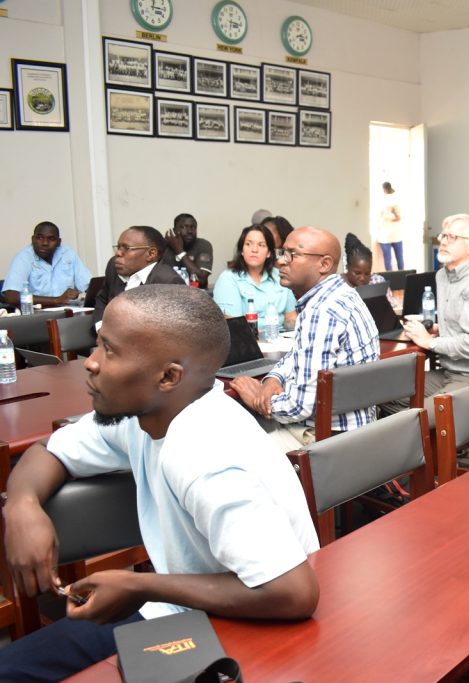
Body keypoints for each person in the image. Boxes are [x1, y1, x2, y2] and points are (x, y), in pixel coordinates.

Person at [0, 286, 319, 681]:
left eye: (109, 351)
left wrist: (141, 587)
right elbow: (49, 450)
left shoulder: (203, 453)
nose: (90, 363)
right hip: (183, 607)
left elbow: (294, 593)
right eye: (96, 345)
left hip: (241, 623)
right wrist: (22, 507)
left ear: (168, 376)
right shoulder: (146, 415)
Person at [231, 227, 379, 449]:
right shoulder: (344, 295)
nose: (281, 262)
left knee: (231, 447)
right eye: (282, 253)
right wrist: (274, 379)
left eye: (293, 254)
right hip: (357, 430)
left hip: (327, 438)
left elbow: (299, 407)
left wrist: (260, 402)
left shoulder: (321, 312)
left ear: (324, 264)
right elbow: (298, 353)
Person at [397, 214, 469, 424]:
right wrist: (440, 329)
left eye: (452, 237)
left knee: (410, 421)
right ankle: (435, 448)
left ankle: (444, 451)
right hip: (451, 372)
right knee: (386, 394)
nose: (443, 241)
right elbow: (464, 323)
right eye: (443, 235)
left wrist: (430, 342)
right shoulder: (443, 276)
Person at [93, 226, 185, 326]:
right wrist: (100, 328)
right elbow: (102, 299)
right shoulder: (113, 266)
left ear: (151, 254)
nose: (118, 253)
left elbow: (170, 327)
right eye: (118, 247)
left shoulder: (168, 281)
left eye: (126, 248)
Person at [212, 224, 298, 330]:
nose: (254, 250)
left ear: (269, 253)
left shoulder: (280, 276)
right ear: (242, 250)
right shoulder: (228, 278)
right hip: (247, 341)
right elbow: (233, 324)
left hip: (280, 339)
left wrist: (291, 327)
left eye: (261, 245)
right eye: (248, 244)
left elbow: (291, 316)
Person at [2, 221, 92, 308]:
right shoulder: (23, 258)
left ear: (59, 242)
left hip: (68, 311)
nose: (45, 243)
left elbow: (89, 287)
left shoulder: (67, 254)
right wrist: (56, 300)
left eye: (51, 239)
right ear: (33, 239)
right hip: (37, 315)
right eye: (40, 238)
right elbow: (11, 297)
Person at [342, 232, 397, 308]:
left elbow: (391, 306)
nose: (362, 278)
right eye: (357, 273)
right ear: (347, 267)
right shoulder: (340, 285)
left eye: (367, 273)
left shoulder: (377, 281)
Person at [160, 213, 213, 288]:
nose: (189, 231)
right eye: (184, 227)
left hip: (196, 295)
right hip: (168, 293)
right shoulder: (164, 246)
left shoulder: (203, 245)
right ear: (174, 231)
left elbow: (201, 279)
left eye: (193, 227)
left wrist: (179, 251)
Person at [376, 182, 404, 271]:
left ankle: (390, 281)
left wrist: (387, 216)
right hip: (396, 235)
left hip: (385, 236)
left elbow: (382, 217)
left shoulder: (383, 200)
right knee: (399, 259)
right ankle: (403, 279)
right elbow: (399, 217)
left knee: (388, 261)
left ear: (384, 189)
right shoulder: (398, 198)